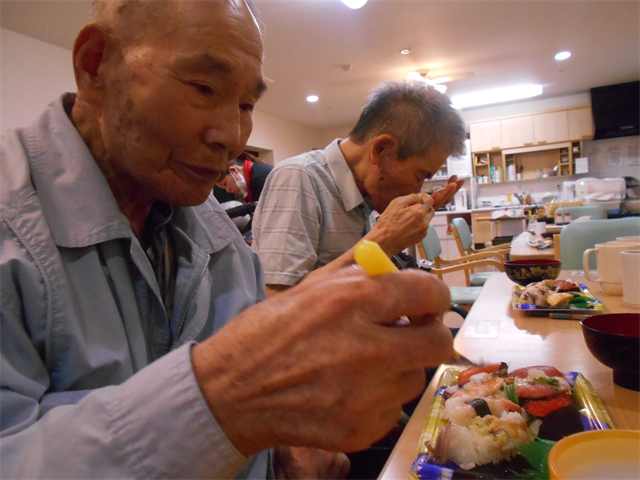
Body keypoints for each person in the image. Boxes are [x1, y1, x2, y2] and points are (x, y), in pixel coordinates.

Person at [0, 1, 455, 479]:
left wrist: (281, 447)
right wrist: (223, 404)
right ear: (95, 66)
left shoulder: (209, 223)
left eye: (246, 104)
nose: (233, 137)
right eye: (202, 87)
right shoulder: (16, 229)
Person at [252, 81, 466, 296]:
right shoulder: (298, 177)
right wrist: (381, 243)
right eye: (420, 175)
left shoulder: (365, 190)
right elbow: (277, 300)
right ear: (382, 149)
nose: (416, 189)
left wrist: (414, 216)